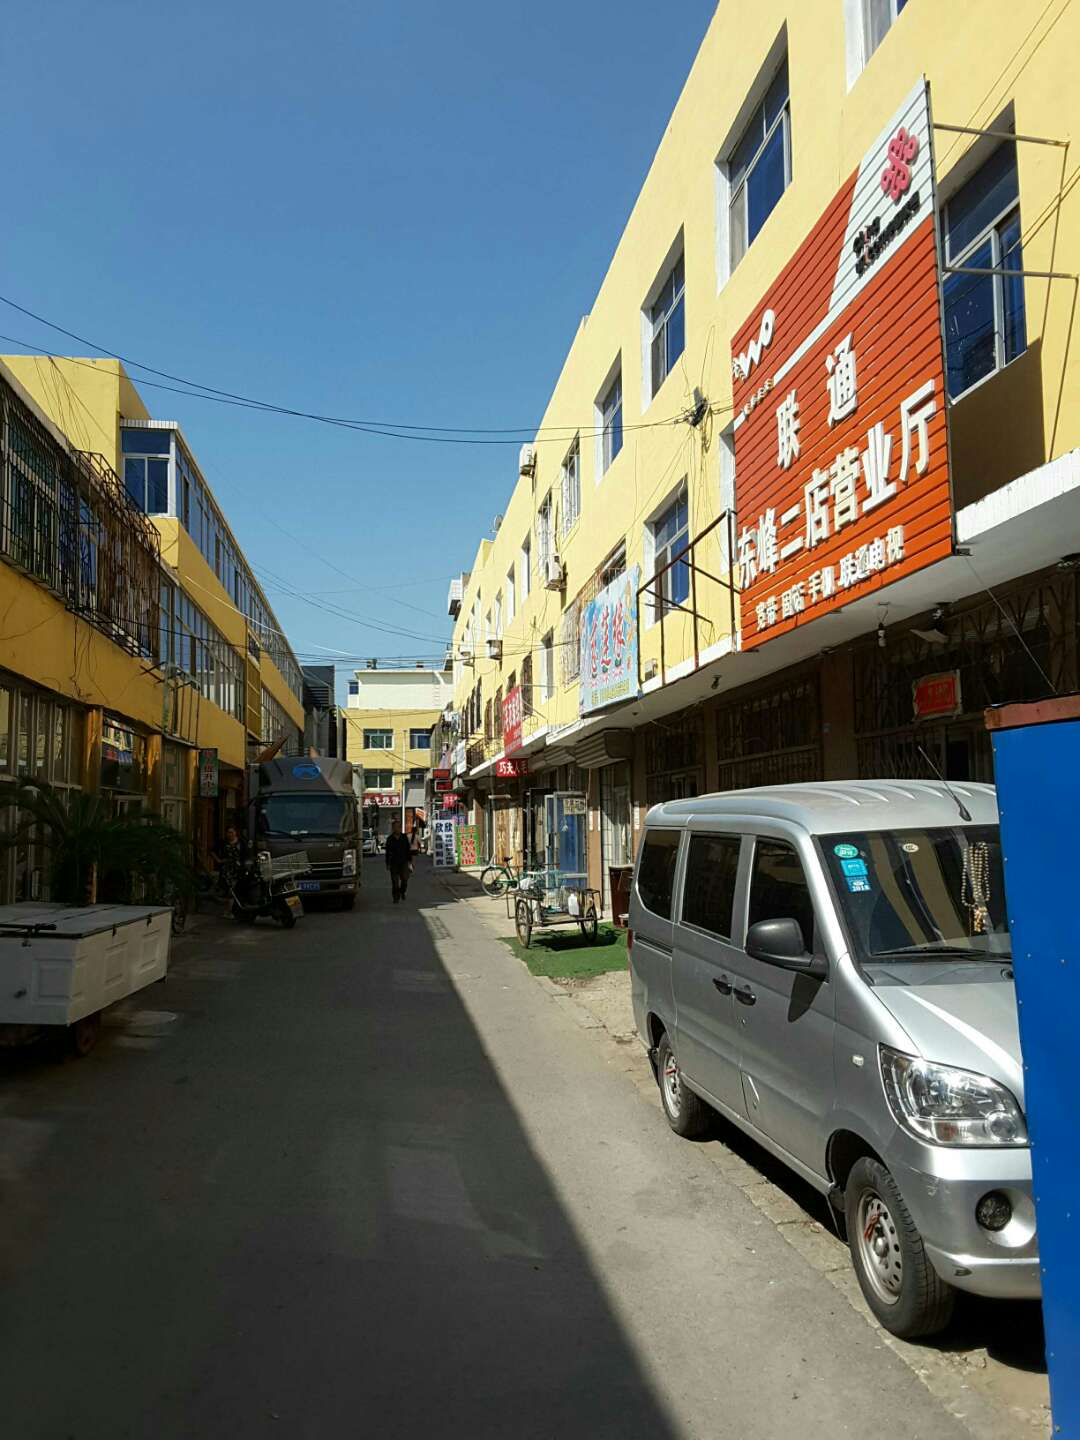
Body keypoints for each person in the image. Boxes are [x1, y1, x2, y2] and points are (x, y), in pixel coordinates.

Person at [384, 818, 414, 903]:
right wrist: (387, 863)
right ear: (393, 828)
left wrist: (410, 861)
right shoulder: (390, 839)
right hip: (393, 863)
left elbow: (408, 849)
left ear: (400, 828)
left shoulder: (404, 837)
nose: (397, 829)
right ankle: (396, 897)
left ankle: (402, 891)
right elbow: (387, 852)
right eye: (395, 827)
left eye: (398, 827)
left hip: (403, 862)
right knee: (395, 882)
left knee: (404, 880)